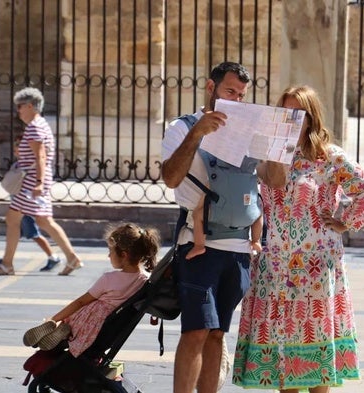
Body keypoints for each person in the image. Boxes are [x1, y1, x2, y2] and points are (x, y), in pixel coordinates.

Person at [233, 85, 364, 393]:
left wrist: (342, 223)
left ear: (311, 118)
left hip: (315, 266)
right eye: (286, 112)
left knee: (314, 353)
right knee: (283, 352)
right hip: (274, 265)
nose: (292, 119)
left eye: (299, 113)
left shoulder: (329, 157)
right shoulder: (268, 153)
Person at [161, 61, 259, 393]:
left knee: (218, 333)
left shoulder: (247, 133)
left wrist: (276, 148)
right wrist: (197, 133)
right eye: (230, 91)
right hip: (197, 244)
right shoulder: (180, 127)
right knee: (197, 330)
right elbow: (171, 178)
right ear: (210, 87)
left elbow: (272, 181)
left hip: (238, 248)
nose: (236, 99)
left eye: (242, 95)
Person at [22, 223, 161, 356]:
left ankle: (59, 328)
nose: (108, 255)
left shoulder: (109, 279)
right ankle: (61, 332)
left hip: (86, 322)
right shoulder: (145, 281)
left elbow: (81, 302)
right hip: (105, 329)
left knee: (70, 319)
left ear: (124, 255)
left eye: (110, 251)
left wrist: (54, 318)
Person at [0, 87, 82, 276]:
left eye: (20, 106)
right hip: (36, 180)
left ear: (30, 106)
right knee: (36, 220)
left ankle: (7, 264)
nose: (18, 111)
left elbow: (41, 157)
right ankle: (71, 258)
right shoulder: (41, 125)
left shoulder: (34, 128)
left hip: (31, 182)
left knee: (26, 219)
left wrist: (38, 182)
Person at [0, 135, 62, 272]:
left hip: (25, 207)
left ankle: (53, 257)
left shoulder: (29, 166)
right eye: (16, 150)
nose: (16, 153)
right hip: (18, 205)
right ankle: (6, 259)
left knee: (33, 234)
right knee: (18, 232)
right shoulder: (19, 164)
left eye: (19, 150)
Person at [186, 194, 263, 259]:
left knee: (197, 215)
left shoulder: (218, 177)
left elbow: (205, 194)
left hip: (223, 210)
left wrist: (199, 208)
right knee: (258, 213)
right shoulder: (249, 177)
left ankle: (199, 246)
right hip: (244, 209)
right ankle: (256, 240)